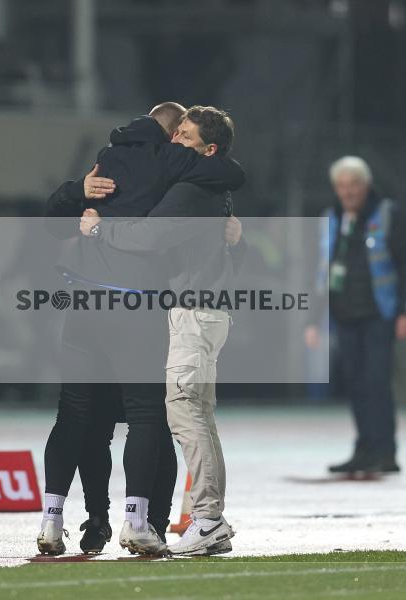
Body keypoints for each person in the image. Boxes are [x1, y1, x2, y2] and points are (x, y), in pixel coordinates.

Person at [40, 102, 244, 556]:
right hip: (147, 311)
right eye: (178, 134)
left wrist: (86, 208)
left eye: (185, 138)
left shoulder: (117, 160)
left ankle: (66, 519)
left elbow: (65, 223)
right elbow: (228, 179)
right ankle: (148, 520)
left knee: (87, 417)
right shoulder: (177, 173)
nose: (177, 144)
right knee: (159, 416)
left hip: (103, 306)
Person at [306, 156, 406, 475]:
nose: (347, 192)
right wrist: (314, 320)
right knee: (355, 383)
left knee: (376, 383)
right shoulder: (331, 218)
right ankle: (364, 449)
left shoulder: (388, 214)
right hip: (345, 315)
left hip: (379, 314)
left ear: (365, 185)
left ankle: (386, 451)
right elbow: (322, 273)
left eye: (353, 184)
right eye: (341, 186)